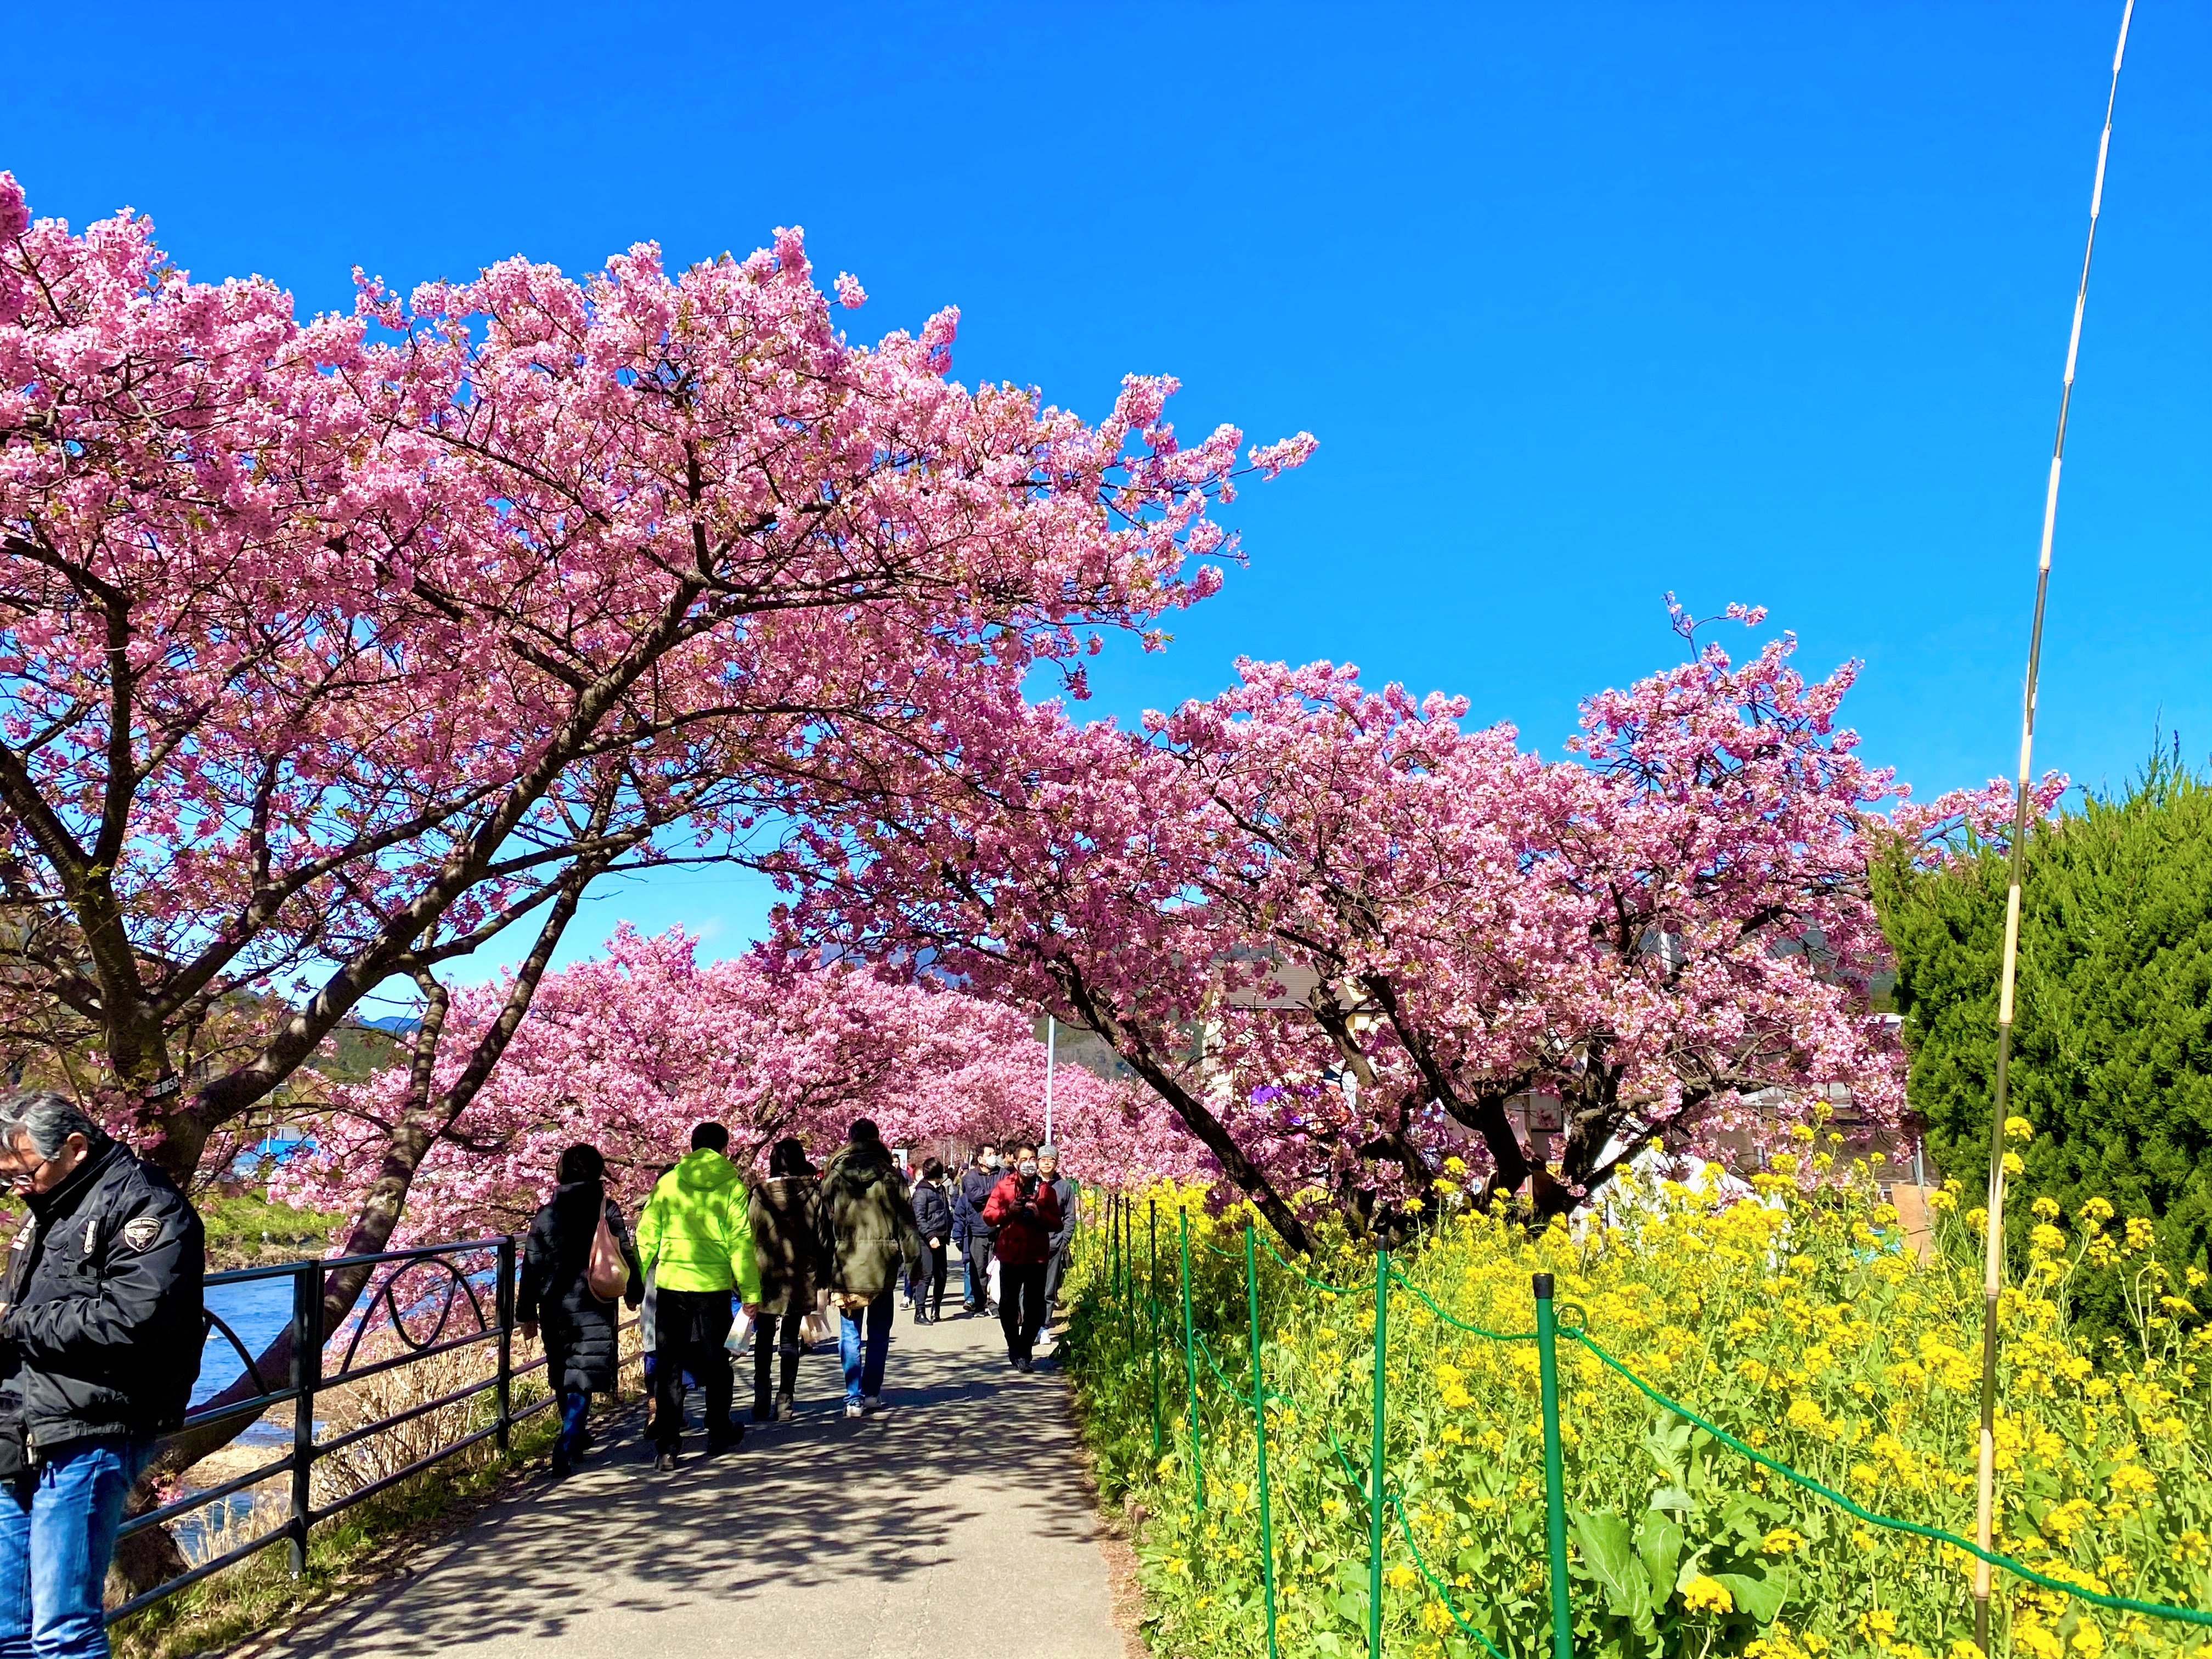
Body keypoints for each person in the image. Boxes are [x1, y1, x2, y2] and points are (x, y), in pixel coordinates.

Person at [0, 1091, 203, 1659]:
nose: (18, 1187)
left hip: (96, 1426)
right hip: (24, 1424)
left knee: (63, 1627)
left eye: (24, 1173)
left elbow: (134, 1317)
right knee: (8, 1627)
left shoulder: (148, 1205)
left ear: (75, 1148)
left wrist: (12, 1322)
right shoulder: (50, 1206)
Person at [635, 1123, 760, 1471]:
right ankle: (718, 1431)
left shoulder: (669, 1183)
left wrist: (636, 1279)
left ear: (692, 1147)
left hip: (672, 1285)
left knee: (670, 1364)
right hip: (714, 1286)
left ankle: (668, 1446)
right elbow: (741, 1244)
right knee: (717, 1363)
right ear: (724, 1148)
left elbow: (647, 1235)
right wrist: (750, 1293)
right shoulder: (733, 1187)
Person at [517, 1144, 644, 1479]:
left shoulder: (545, 1215)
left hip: (554, 1303)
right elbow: (624, 1251)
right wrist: (635, 1290)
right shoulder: (606, 1208)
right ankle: (569, 1438)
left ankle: (571, 1434)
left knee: (564, 1371)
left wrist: (525, 1311)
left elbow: (530, 1266)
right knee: (582, 1374)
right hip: (596, 1299)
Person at [819, 1119, 921, 1419]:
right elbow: (907, 1223)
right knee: (878, 1333)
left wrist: (823, 1266)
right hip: (883, 1265)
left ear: (849, 1139)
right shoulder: (891, 1176)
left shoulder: (833, 1177)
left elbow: (823, 1224)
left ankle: (853, 1398)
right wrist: (913, 1263)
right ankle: (873, 1392)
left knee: (850, 1334)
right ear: (876, 1139)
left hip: (845, 1264)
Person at [746, 1138, 825, 1422]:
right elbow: (822, 1237)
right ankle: (785, 1401)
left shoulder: (758, 1195)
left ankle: (761, 1399)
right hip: (800, 1274)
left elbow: (749, 1233)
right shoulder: (813, 1194)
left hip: (765, 1273)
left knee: (764, 1338)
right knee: (790, 1339)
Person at [983, 1144, 1063, 1373]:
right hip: (1010, 1254)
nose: (1029, 1162)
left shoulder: (1047, 1190)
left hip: (1037, 1255)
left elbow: (1057, 1222)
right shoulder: (1004, 1186)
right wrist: (1009, 1211)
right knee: (1007, 1305)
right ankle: (1014, 1346)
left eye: (1033, 1158)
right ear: (1015, 1163)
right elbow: (988, 1215)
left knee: (1034, 1306)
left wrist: (1040, 1215)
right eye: (1024, 1158)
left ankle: (1025, 1352)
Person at [906, 1158, 953, 1324]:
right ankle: (919, 1312)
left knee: (941, 1276)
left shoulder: (940, 1189)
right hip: (927, 1239)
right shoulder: (922, 1192)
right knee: (926, 1275)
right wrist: (930, 1236)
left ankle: (936, 1308)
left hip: (941, 1237)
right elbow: (919, 1218)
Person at [955, 1147, 1001, 1314]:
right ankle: (980, 1303)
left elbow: (1006, 1192)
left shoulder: (1001, 1173)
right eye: (990, 1155)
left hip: (998, 1229)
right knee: (979, 1270)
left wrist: (991, 1195)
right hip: (978, 1230)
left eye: (994, 1154)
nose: (993, 1158)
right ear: (981, 1159)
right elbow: (974, 1196)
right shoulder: (970, 1177)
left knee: (996, 1270)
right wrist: (996, 1194)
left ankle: (994, 1304)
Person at [1039, 1144, 1078, 1314]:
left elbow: (1070, 1216)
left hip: (1054, 1244)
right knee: (1027, 1287)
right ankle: (1029, 1323)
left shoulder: (1064, 1187)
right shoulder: (1029, 1183)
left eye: (1051, 1160)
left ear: (1056, 1164)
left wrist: (1064, 1240)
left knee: (1049, 1288)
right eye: (1043, 1160)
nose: (1047, 1163)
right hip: (1029, 1245)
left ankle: (1044, 1325)